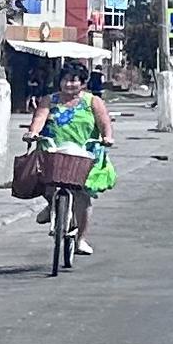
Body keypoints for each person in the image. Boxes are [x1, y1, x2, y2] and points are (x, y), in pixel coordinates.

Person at [32, 61, 114, 252]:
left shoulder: (92, 101)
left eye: (74, 81)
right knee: (44, 180)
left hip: (83, 153)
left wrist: (107, 137)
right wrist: (33, 132)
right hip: (54, 149)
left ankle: (80, 240)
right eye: (66, 80)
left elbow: (104, 123)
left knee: (82, 195)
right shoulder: (49, 100)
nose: (69, 84)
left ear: (83, 83)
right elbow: (39, 119)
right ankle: (52, 205)